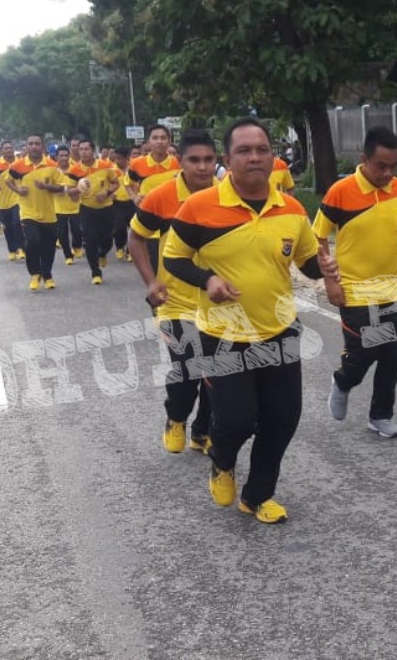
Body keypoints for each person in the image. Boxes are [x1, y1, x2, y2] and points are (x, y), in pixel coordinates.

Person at [161, 118, 339, 525]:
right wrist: (207, 280)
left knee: (282, 419)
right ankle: (222, 460)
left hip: (278, 330)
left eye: (262, 149)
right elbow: (174, 257)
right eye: (244, 150)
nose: (255, 157)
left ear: (272, 156)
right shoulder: (200, 207)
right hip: (223, 335)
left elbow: (307, 263)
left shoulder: (290, 208)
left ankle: (257, 495)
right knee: (237, 419)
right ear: (229, 159)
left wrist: (323, 267)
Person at [313, 127, 397, 439]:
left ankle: (380, 415)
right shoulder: (341, 191)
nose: (388, 172)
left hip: (394, 288)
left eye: (393, 166)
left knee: (393, 354)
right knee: (363, 352)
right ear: (364, 159)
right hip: (354, 290)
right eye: (381, 165)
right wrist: (330, 281)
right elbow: (318, 236)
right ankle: (343, 381)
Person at [129, 130, 220, 453]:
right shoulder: (162, 196)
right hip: (174, 303)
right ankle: (177, 417)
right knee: (187, 369)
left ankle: (202, 432)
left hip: (217, 304)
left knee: (217, 371)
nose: (202, 167)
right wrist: (151, 282)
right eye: (194, 160)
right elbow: (135, 237)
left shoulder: (226, 196)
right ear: (179, 161)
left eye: (209, 160)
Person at [7, 136, 66, 291]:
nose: (34, 146)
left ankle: (47, 274)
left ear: (43, 147)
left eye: (37, 144)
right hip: (28, 212)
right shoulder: (18, 166)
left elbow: (61, 187)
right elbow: (8, 180)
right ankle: (34, 273)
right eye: (31, 144)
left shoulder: (52, 165)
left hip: (49, 213)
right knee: (32, 242)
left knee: (48, 247)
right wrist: (18, 190)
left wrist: (47, 186)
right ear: (26, 146)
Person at [128, 124, 182, 273]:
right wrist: (134, 198)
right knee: (154, 260)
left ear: (169, 141)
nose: (160, 141)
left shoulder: (176, 163)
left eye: (163, 138)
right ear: (148, 142)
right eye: (155, 138)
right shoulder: (137, 164)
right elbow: (127, 183)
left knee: (170, 260)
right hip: (149, 217)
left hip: (172, 217)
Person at [74, 142, 123, 285]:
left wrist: (107, 192)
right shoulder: (75, 170)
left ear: (92, 150)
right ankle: (95, 272)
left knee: (107, 239)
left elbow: (116, 183)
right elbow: (69, 192)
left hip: (106, 207)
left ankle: (103, 253)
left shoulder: (105, 166)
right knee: (90, 240)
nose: (84, 152)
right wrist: (78, 189)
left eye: (86, 149)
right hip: (87, 209)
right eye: (81, 149)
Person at [0, 141, 25, 262]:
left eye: (10, 148)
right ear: (2, 151)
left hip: (17, 199)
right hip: (3, 201)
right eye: (6, 148)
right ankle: (11, 250)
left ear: (13, 149)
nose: (9, 150)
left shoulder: (20, 162)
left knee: (16, 223)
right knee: (7, 227)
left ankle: (21, 248)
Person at [53, 145, 85, 265]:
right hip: (58, 207)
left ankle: (77, 246)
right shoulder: (53, 171)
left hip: (75, 205)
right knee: (62, 233)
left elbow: (82, 184)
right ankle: (68, 255)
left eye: (66, 155)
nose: (64, 158)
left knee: (77, 230)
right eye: (61, 155)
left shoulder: (75, 169)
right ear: (56, 157)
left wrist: (75, 189)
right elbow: (49, 187)